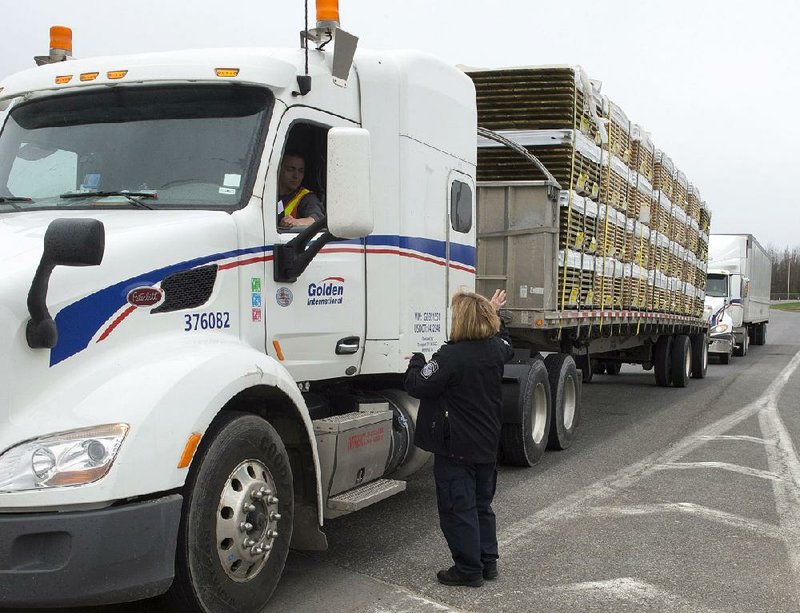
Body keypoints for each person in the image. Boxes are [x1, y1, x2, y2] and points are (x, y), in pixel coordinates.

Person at [404, 289, 513, 588]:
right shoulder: (495, 350)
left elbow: (417, 384)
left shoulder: (450, 357)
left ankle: (468, 569)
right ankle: (487, 563)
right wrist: (492, 313)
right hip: (487, 444)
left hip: (457, 447)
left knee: (457, 508)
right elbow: (506, 342)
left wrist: (416, 359)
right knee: (481, 505)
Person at [277, 150, 325, 229]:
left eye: (301, 171)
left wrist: (295, 222)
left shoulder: (306, 197)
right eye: (290, 169)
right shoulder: (265, 193)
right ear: (279, 169)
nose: (296, 176)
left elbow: (317, 219)